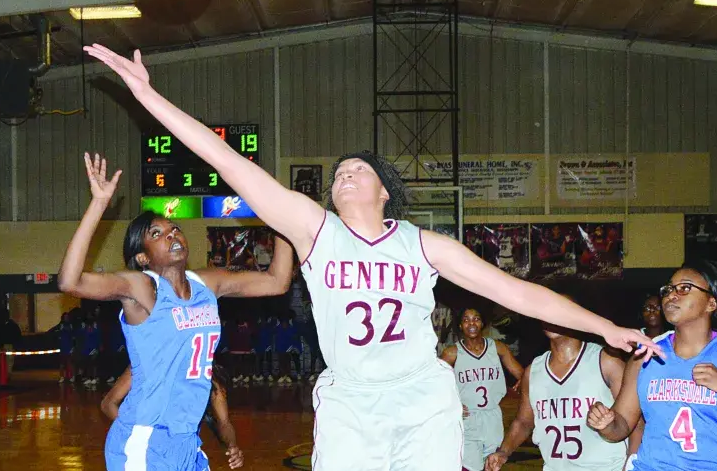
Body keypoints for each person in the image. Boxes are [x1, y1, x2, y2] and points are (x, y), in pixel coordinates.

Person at [84, 44, 661, 470]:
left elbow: (517, 292)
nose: (344, 173)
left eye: (358, 169)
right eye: (339, 172)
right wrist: (147, 96)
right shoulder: (316, 232)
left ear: (384, 190)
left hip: (421, 396)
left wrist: (605, 327)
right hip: (350, 400)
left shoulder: (422, 244)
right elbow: (228, 162)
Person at [58, 152, 294, 471]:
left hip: (187, 441)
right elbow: (70, 281)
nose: (171, 234)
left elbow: (277, 282)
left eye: (174, 228)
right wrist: (99, 204)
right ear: (143, 258)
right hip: (147, 440)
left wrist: (283, 221)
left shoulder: (207, 283)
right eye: (157, 234)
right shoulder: (143, 288)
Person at [587, 260, 717, 471]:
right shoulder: (646, 355)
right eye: (668, 289)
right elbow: (622, 426)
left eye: (684, 288)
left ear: (711, 303)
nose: (671, 295)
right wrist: (606, 424)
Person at [485, 294, 640, 471]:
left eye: (560, 311)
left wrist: (631, 465)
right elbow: (524, 422)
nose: (552, 317)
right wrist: (504, 451)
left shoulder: (606, 362)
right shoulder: (533, 371)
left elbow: (635, 423)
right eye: (547, 312)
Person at [101, 364, 244, 469]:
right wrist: (136, 433)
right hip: (148, 454)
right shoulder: (147, 360)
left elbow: (224, 422)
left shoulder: (207, 372)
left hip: (187, 454)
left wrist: (232, 445)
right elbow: (109, 403)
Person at [440, 308, 523, 471]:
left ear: (482, 323)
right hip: (467, 418)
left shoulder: (498, 348)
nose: (471, 323)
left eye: (476, 319)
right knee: (469, 467)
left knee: (492, 465)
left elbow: (521, 374)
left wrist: (523, 383)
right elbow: (434, 383)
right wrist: (451, 403)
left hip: (493, 417)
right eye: (466, 320)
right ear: (460, 325)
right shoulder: (451, 353)